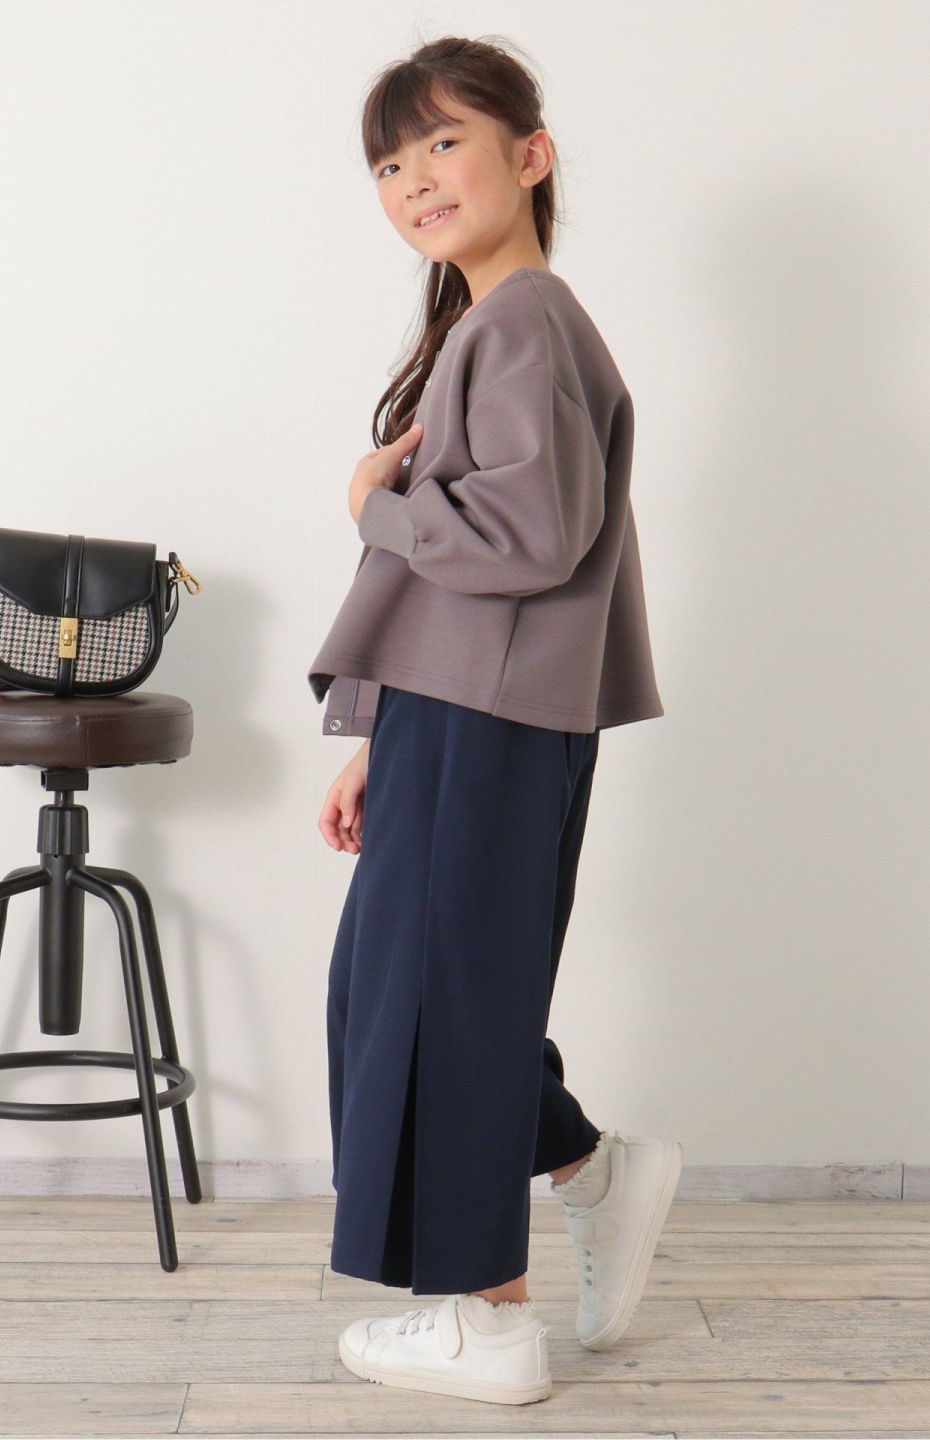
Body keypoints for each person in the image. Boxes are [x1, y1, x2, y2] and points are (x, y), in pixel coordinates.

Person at [306, 35, 683, 1406]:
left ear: (531, 155)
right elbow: (483, 578)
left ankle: (482, 1316)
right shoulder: (497, 324)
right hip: (462, 711)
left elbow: (529, 538)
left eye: (442, 142)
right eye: (388, 163)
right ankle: (588, 1169)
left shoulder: (521, 321)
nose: (413, 178)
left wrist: (375, 505)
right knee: (414, 987)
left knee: (435, 995)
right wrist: (382, 733)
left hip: (492, 716)